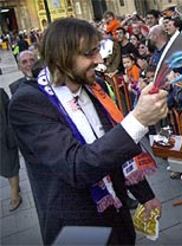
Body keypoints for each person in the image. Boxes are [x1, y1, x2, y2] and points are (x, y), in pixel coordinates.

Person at [8, 18, 169, 245]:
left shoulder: (96, 86)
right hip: (76, 227)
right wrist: (139, 119)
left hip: (117, 213)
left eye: (98, 50)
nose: (99, 59)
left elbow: (115, 147)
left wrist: (146, 195)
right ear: (61, 58)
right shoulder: (28, 104)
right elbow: (75, 165)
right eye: (89, 53)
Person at [0, 88, 22, 212]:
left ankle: (15, 195)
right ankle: (15, 187)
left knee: (10, 166)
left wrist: (11, 134)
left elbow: (9, 113)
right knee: (5, 166)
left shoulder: (0, 93)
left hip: (4, 138)